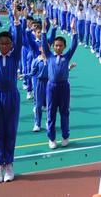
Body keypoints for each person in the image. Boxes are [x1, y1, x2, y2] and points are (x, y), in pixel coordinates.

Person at [0, 1, 23, 183]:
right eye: (0, 43)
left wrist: (16, 19)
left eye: (7, 43)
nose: (3, 46)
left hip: (12, 96)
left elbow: (20, 38)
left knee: (10, 130)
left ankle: (9, 164)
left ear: (11, 45)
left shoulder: (14, 57)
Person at [41, 17, 79, 149]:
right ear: (53, 46)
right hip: (51, 87)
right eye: (56, 45)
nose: (58, 47)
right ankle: (51, 138)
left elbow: (74, 45)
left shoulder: (66, 57)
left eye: (60, 46)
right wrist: (44, 30)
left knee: (64, 112)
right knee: (51, 113)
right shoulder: (49, 56)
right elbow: (44, 45)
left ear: (64, 47)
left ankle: (65, 136)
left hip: (64, 87)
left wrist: (73, 30)